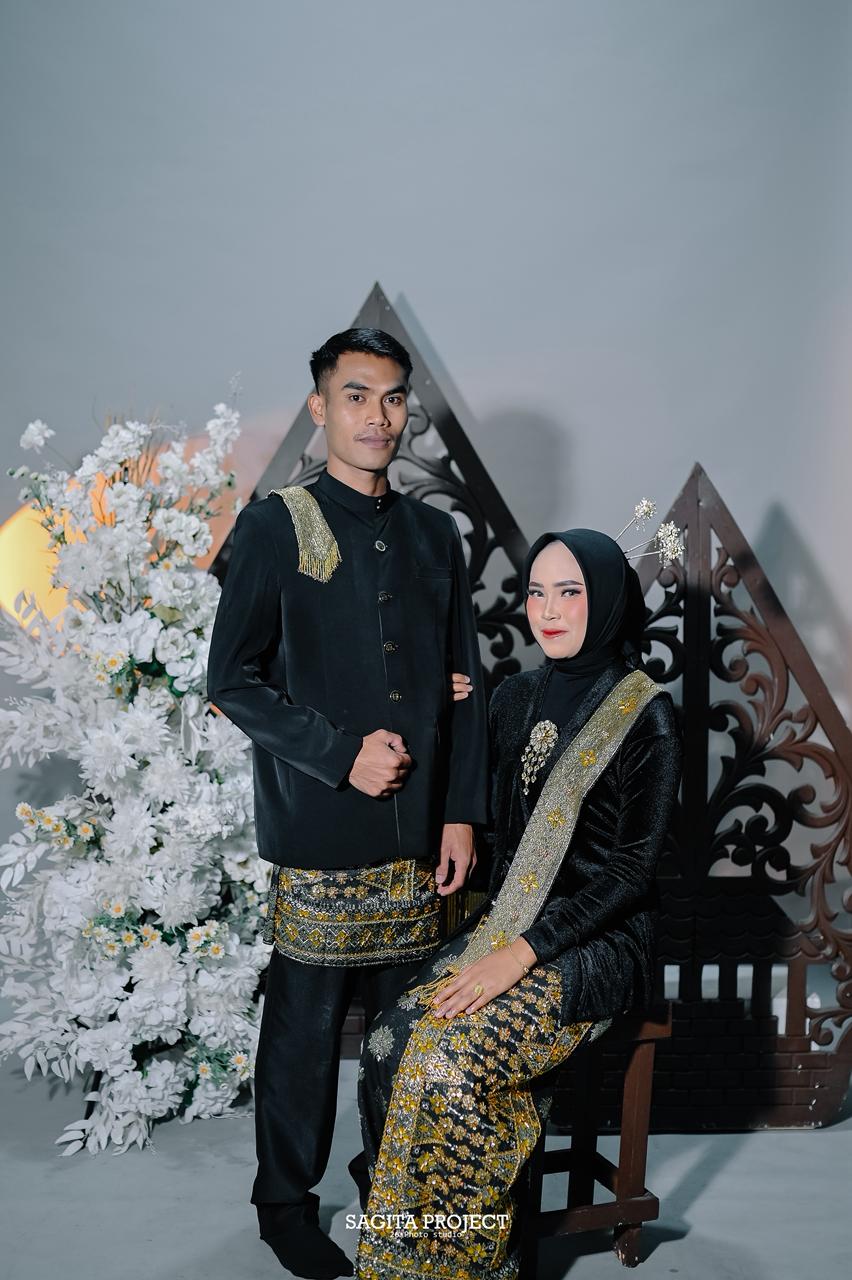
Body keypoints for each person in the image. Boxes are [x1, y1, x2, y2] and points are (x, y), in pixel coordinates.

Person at [206, 328, 488, 1280]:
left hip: (420, 834)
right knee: (304, 1034)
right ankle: (284, 1208)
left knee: (405, 1035)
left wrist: (461, 811)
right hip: (321, 826)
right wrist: (339, 755)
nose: (378, 415)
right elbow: (230, 680)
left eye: (394, 397)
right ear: (320, 406)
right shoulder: (275, 526)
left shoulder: (434, 535)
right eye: (357, 395)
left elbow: (463, 680)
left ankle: (391, 1185)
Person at [355, 528, 682, 1280]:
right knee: (387, 1045)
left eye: (570, 592)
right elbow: (500, 825)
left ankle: (475, 1262)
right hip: (506, 923)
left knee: (448, 1060)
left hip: (597, 945)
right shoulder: (514, 698)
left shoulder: (647, 716)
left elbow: (630, 873)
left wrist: (520, 956)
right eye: (537, 592)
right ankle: (404, 1252)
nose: (548, 610)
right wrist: (441, 714)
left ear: (607, 602)